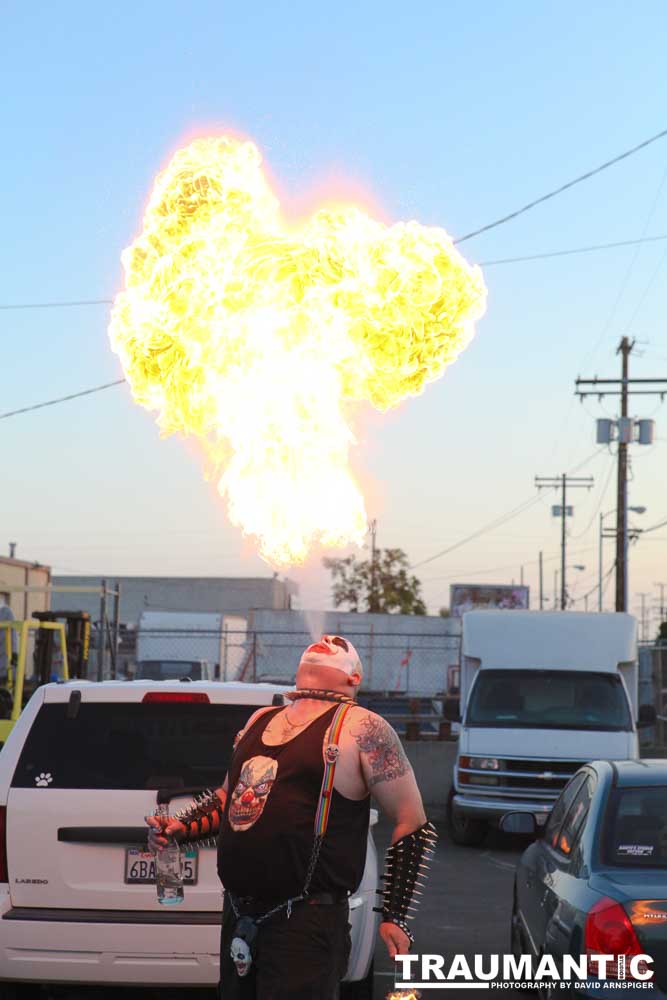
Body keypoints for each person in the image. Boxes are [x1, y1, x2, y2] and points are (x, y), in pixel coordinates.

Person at [147, 634, 437, 999]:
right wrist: (180, 828)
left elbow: (412, 820)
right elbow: (228, 799)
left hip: (305, 924)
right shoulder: (259, 719)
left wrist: (394, 916)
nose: (327, 639)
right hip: (239, 916)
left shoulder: (364, 729)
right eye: (323, 638)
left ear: (354, 679)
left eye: (339, 643)